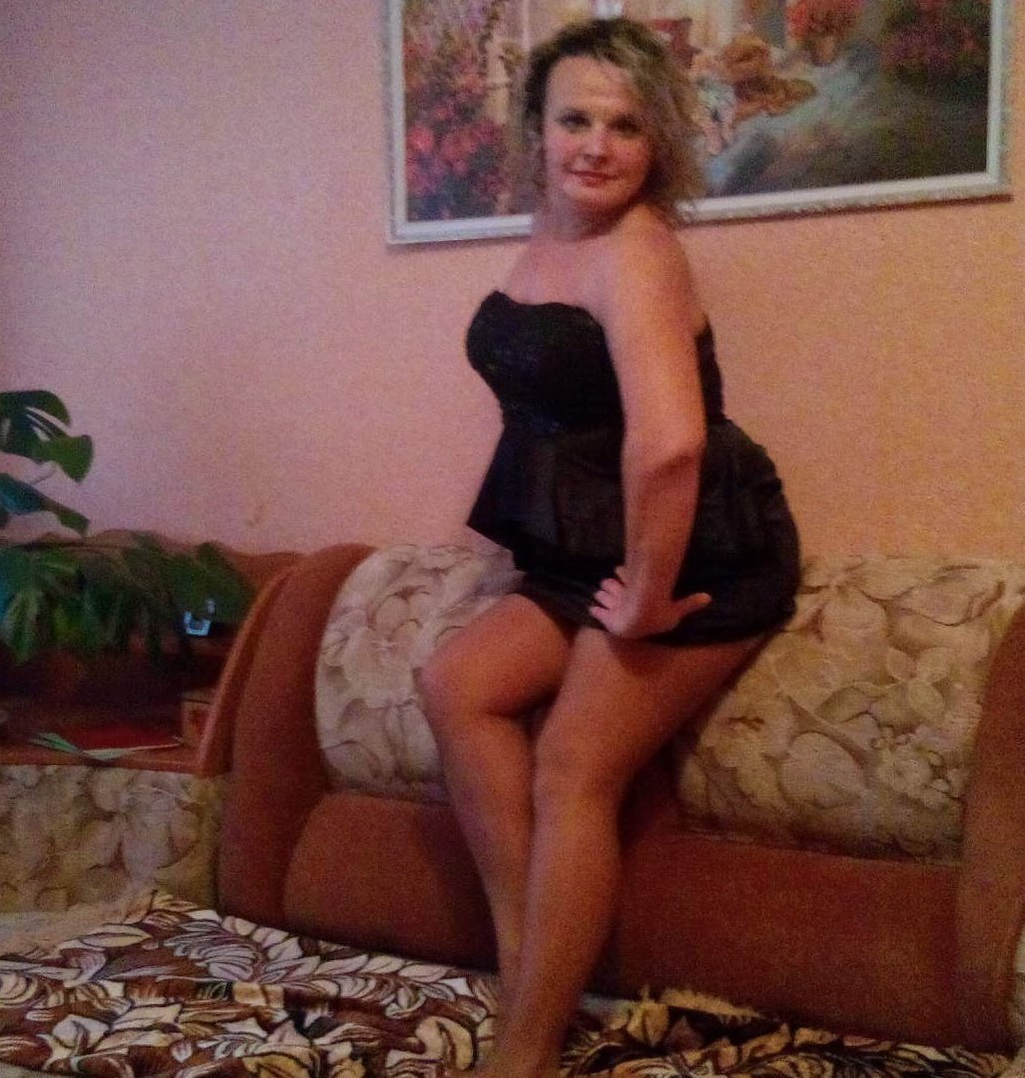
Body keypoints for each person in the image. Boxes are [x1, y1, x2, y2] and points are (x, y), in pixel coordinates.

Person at [420, 17, 801, 1078]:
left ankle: (526, 1050)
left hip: (698, 549)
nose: (595, 145)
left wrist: (645, 596)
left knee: (571, 767)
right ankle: (533, 964)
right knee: (455, 686)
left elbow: (671, 443)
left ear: (658, 141)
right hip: (580, 545)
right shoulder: (552, 236)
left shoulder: (638, 251)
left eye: (625, 126)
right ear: (535, 130)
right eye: (574, 119)